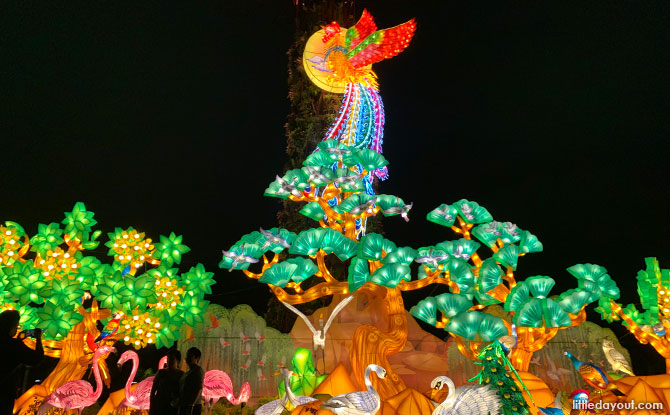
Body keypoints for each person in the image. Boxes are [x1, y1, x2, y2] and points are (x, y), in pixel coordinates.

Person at [0, 310, 44, 415]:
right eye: (16, 326)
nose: (16, 329)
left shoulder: (13, 344)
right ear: (10, 326)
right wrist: (38, 339)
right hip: (4, 394)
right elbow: (36, 358)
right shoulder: (14, 346)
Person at [150, 349, 184, 415]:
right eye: (168, 358)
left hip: (173, 407)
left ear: (177, 360)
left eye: (171, 358)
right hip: (160, 406)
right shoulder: (161, 373)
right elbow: (153, 391)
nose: (168, 361)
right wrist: (152, 407)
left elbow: (182, 393)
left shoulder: (181, 374)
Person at [178, 347, 204, 415]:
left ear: (197, 358)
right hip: (184, 404)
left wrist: (191, 405)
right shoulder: (187, 372)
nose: (187, 358)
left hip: (193, 406)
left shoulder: (198, 370)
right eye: (187, 355)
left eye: (190, 356)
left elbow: (199, 387)